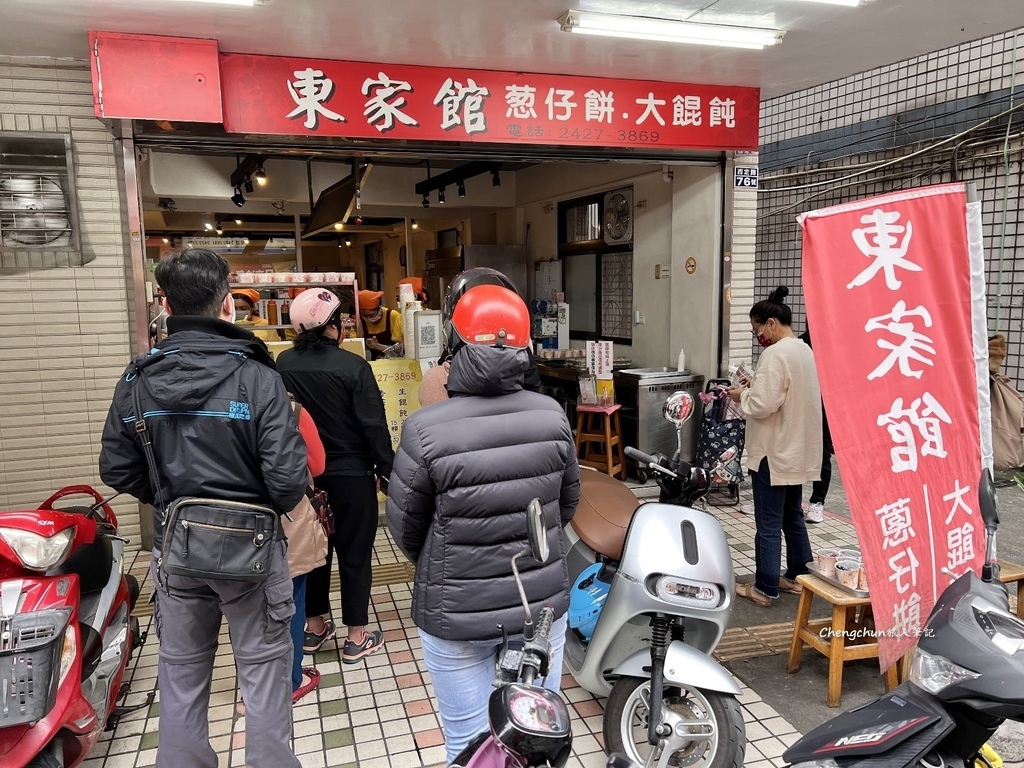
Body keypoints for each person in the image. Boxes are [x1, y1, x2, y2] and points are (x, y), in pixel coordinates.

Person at [99, 249, 307, 768]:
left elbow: (115, 468)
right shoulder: (259, 378)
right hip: (255, 554)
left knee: (181, 671)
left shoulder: (138, 379)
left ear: (166, 303)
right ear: (226, 305)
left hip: (177, 548)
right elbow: (288, 481)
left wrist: (173, 502)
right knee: (263, 672)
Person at [386, 279, 581, 763]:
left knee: (469, 747)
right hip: (538, 606)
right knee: (534, 740)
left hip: (455, 610)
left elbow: (405, 527)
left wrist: (446, 558)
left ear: (456, 344)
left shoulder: (425, 429)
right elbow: (567, 505)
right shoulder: (552, 416)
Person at [277, 288, 394, 663]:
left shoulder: (282, 365)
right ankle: (357, 636)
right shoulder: (353, 366)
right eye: (340, 319)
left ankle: (314, 628)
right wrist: (387, 469)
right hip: (352, 475)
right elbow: (373, 426)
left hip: (304, 479)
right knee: (354, 552)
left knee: (313, 552)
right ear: (328, 325)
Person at [728, 285, 822, 607]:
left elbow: (762, 405)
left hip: (772, 451)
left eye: (758, 330)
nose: (759, 337)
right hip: (795, 450)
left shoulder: (774, 354)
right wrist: (756, 389)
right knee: (792, 516)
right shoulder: (804, 350)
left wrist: (742, 395)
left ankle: (765, 587)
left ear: (771, 323)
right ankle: (798, 577)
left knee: (768, 523)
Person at [799, 329, 833, 524]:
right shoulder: (802, 343)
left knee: (823, 454)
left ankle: (817, 502)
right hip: (802, 402)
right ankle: (786, 500)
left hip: (827, 404)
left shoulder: (835, 339)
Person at [358, 289, 403, 359]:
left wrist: (377, 346)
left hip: (395, 360)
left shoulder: (392, 315)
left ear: (379, 309)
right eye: (365, 315)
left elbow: (402, 346)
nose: (368, 318)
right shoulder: (360, 321)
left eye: (371, 315)